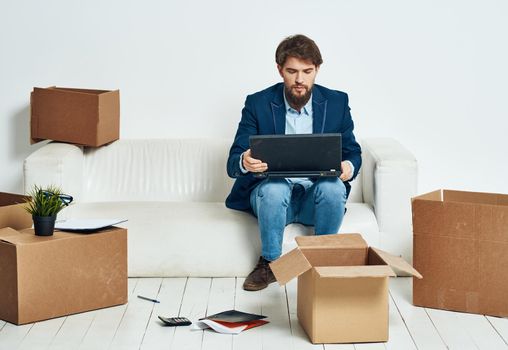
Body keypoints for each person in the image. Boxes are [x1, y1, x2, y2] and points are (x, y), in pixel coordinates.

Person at [225, 34, 362, 291]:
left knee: (334, 187)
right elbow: (233, 162)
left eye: (307, 71)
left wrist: (348, 167)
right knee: (274, 188)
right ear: (280, 70)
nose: (300, 80)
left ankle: (322, 261)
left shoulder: (337, 102)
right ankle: (270, 263)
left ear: (317, 70)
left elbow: (353, 152)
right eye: (292, 71)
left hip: (316, 198)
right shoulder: (258, 103)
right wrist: (244, 161)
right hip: (274, 201)